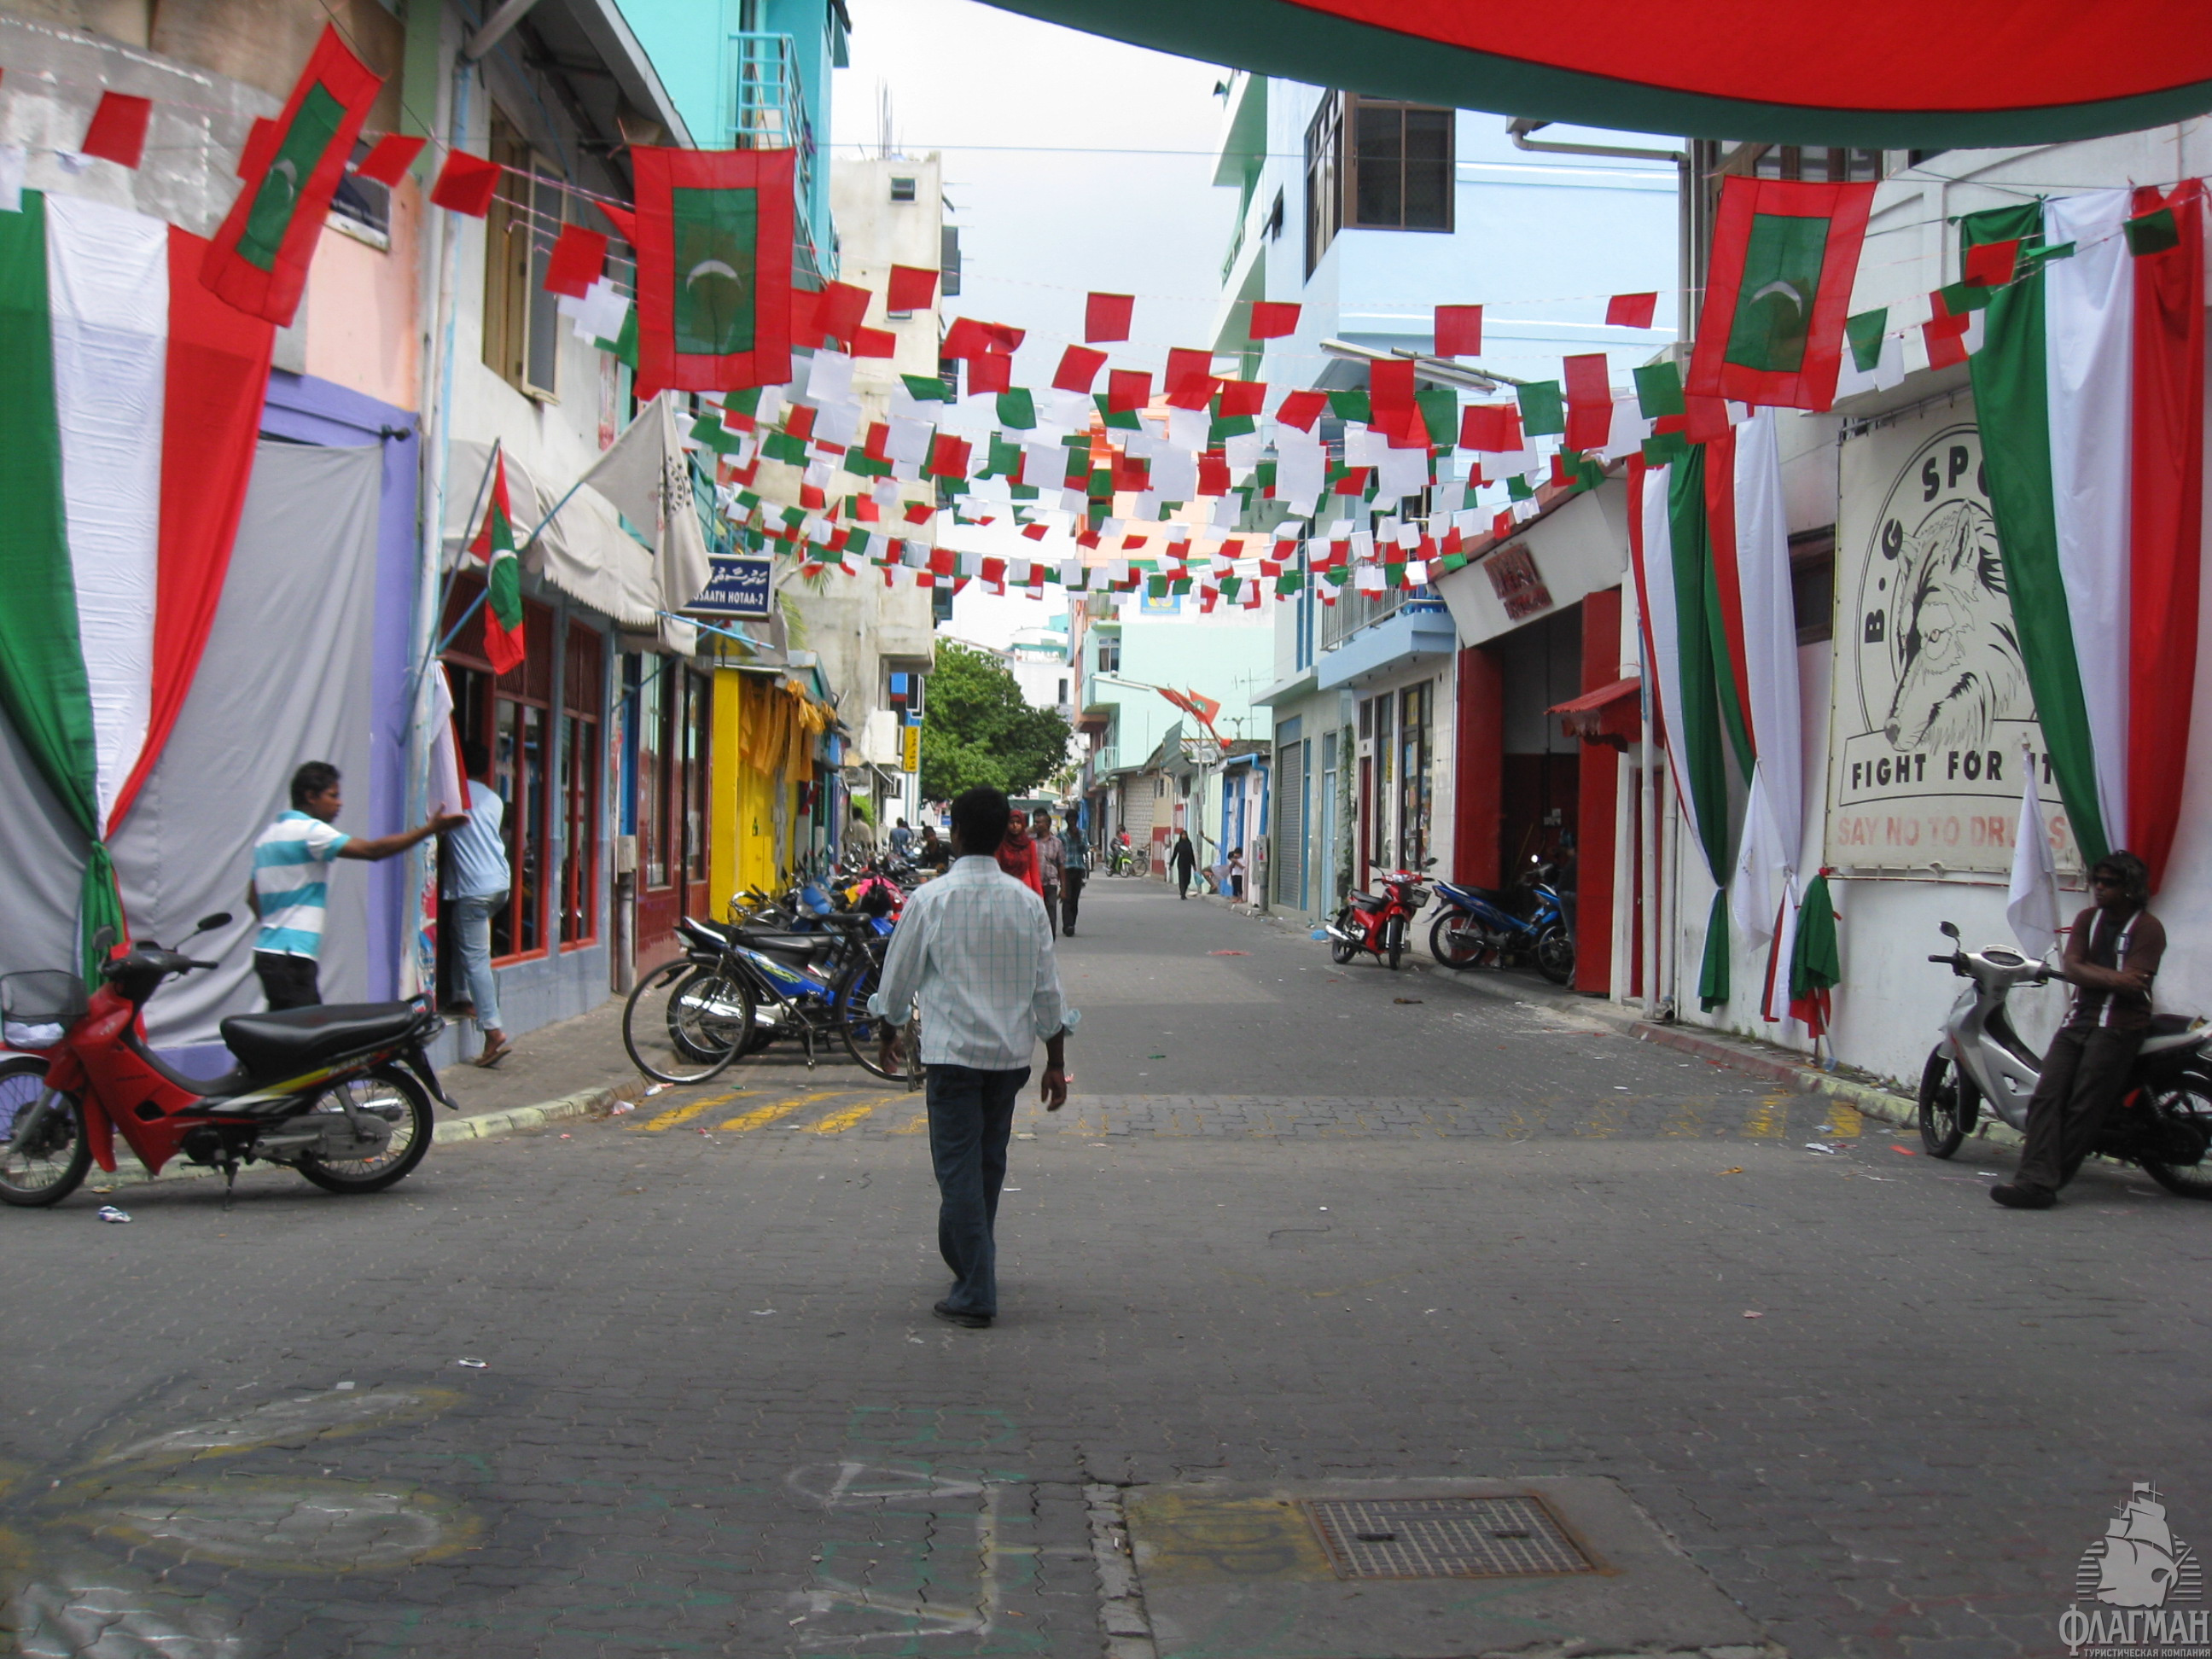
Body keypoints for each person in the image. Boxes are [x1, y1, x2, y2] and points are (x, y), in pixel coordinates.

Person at [871, 786, 1076, 1328]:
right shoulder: (1028, 904)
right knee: (986, 1165)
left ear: (955, 834)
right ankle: (968, 1258)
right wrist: (1054, 1059)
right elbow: (1047, 991)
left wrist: (889, 1030)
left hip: (952, 1057)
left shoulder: (930, 901)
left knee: (958, 1169)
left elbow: (899, 977)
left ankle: (976, 1288)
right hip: (1009, 1059)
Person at [1992, 850, 2168, 1211]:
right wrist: (2115, 978)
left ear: (2131, 888)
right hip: (2078, 1021)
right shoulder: (2088, 919)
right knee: (2046, 1096)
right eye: (2097, 881)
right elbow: (2072, 968)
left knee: (2084, 1104)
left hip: (2119, 1027)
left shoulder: (2148, 928)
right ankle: (2034, 1179)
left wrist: (2099, 976)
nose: (2100, 889)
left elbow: (2136, 984)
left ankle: (2040, 1184)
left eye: (2110, 883)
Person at [249, 761, 463, 1010]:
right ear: (310, 796)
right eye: (333, 796)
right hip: (292, 957)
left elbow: (252, 897)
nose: (339, 803)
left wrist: (277, 925)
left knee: (285, 1032)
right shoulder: (310, 832)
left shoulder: (268, 837)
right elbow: (372, 851)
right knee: (305, 1038)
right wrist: (429, 829)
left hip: (267, 953)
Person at [443, 741, 513, 1067]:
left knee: (476, 959)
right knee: (464, 936)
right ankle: (461, 997)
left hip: (473, 888)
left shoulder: (453, 797)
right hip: (499, 883)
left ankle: (493, 1030)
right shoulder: (493, 799)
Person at [997, 809, 1044, 897]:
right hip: (1005, 889)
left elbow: (1034, 872)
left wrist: (1039, 896)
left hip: (1025, 889)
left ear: (1023, 824)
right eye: (1011, 822)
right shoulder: (1001, 844)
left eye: (1018, 822)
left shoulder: (1029, 844)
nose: (1015, 825)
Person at [1034, 810, 1064, 937]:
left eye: (1039, 822)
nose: (1036, 825)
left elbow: (1062, 865)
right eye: (1035, 822)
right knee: (1035, 914)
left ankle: (1050, 939)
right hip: (1034, 885)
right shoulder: (1030, 842)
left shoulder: (1057, 843)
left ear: (1047, 824)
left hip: (1050, 884)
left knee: (1051, 912)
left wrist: (1064, 888)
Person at [1059, 814, 1089, 936]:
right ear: (1067, 821)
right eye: (1070, 820)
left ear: (1076, 821)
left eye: (1074, 820)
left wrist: (1078, 838)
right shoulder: (1061, 835)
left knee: (1075, 899)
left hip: (1078, 868)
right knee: (1067, 897)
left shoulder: (1082, 833)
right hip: (1066, 868)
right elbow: (1058, 850)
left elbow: (1085, 849)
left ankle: (1072, 923)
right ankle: (1068, 925)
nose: (1072, 822)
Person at [1170, 830, 1196, 900]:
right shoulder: (1178, 844)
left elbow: (1191, 854)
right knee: (1182, 878)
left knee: (1188, 879)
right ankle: (1183, 894)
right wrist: (1171, 864)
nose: (1184, 836)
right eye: (1182, 835)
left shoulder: (1189, 844)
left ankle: (1184, 891)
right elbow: (1175, 854)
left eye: (1185, 835)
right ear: (1181, 836)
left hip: (1188, 863)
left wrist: (1194, 865)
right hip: (1181, 862)